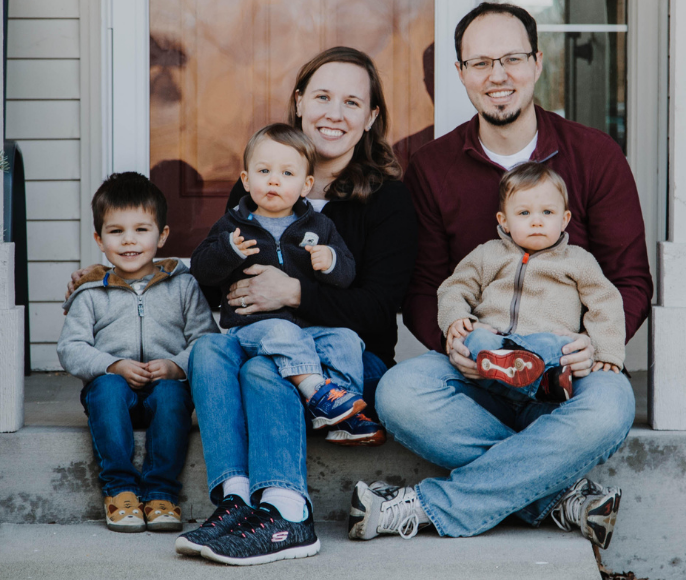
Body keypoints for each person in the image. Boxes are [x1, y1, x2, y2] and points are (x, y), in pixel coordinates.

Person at [348, 2, 652, 549]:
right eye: (481, 62)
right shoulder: (434, 167)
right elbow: (425, 284)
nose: (498, 75)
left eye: (511, 58)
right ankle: (558, 494)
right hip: (481, 368)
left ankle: (428, 505)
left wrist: (596, 346)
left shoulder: (594, 155)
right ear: (461, 73)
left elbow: (629, 279)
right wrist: (452, 338)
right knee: (398, 391)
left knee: (612, 405)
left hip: (568, 372)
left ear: (536, 63)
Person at [171, 46, 418, 565]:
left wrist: (295, 293)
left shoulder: (387, 200)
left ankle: (287, 513)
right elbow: (221, 288)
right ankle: (234, 502)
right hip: (263, 338)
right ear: (300, 102)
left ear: (371, 118)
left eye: (352, 102)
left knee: (265, 367)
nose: (334, 112)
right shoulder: (262, 185)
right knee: (210, 353)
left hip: (347, 360)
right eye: (323, 96)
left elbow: (378, 310)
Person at [191, 122, 382, 438]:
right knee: (282, 330)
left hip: (309, 329)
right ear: (246, 179)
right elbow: (202, 269)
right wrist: (228, 251)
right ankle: (316, 390)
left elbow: (347, 274)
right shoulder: (233, 227)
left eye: (287, 174)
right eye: (264, 171)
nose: (274, 181)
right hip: (255, 328)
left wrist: (331, 261)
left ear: (307, 185)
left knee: (346, 339)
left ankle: (341, 414)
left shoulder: (320, 226)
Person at [58, 172, 217, 534]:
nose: (129, 241)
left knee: (174, 395)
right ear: (99, 239)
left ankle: (161, 492)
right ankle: (121, 490)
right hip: (113, 394)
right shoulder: (91, 292)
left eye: (141, 230)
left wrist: (177, 366)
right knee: (108, 389)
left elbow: (206, 339)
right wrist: (112, 364)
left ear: (162, 235)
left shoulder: (183, 285)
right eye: (116, 232)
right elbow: (71, 348)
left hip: (166, 389)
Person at [439, 162, 625, 408]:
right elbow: (454, 287)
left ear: (564, 219)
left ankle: (538, 379)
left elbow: (606, 302)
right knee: (476, 341)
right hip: (498, 344)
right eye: (524, 213)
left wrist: (605, 352)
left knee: (556, 346)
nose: (537, 221)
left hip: (545, 346)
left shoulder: (578, 261)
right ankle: (538, 384)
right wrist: (455, 319)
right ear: (504, 221)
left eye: (547, 213)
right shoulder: (487, 255)